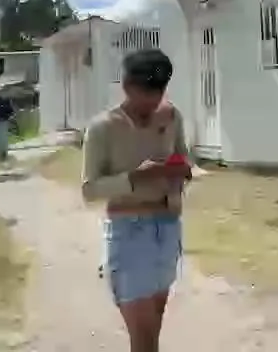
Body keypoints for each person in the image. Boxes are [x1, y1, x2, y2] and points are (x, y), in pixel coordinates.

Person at [81, 48, 192, 352]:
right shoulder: (103, 127)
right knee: (143, 337)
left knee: (151, 332)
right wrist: (136, 177)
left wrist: (182, 171)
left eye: (159, 92)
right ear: (127, 86)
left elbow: (184, 158)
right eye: (145, 93)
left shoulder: (171, 116)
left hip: (167, 228)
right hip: (128, 231)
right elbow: (89, 189)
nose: (152, 101)